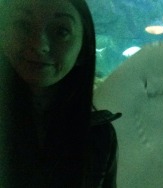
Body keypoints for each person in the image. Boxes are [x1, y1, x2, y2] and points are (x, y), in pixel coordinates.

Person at [0, 0, 121, 187]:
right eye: (23, 25)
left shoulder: (100, 137)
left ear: (83, 48)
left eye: (61, 31)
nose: (39, 45)